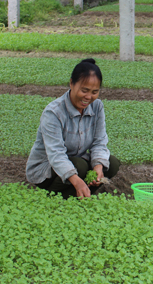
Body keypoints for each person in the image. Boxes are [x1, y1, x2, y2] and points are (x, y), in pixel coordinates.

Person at [26, 58, 119, 198]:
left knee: (111, 164)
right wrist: (76, 180)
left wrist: (98, 166)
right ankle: (53, 197)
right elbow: (56, 154)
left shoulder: (97, 106)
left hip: (75, 161)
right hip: (47, 171)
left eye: (94, 92)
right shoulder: (53, 113)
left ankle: (79, 196)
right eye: (84, 90)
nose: (88, 97)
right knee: (79, 166)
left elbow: (99, 141)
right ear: (71, 83)